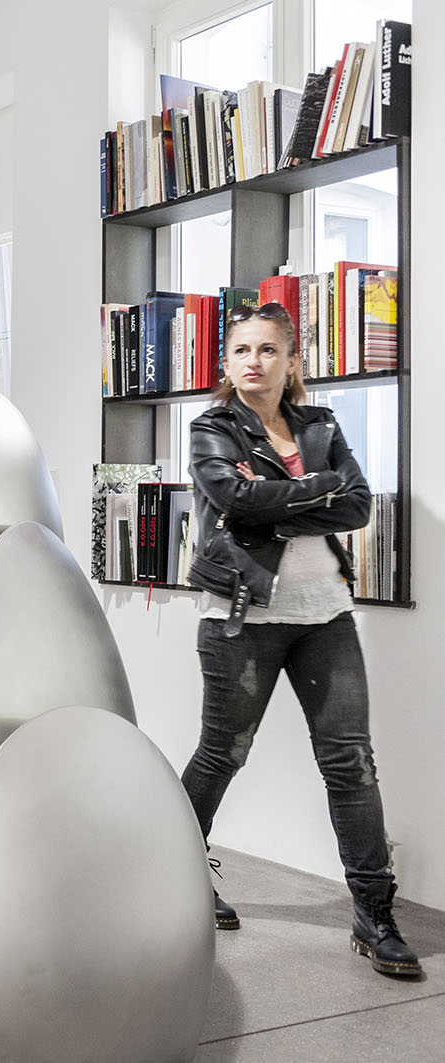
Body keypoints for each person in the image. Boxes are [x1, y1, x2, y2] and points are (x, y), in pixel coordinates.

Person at [182, 301, 419, 977]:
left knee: (350, 762)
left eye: (268, 349)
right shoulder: (211, 428)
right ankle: (175, 874)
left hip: (325, 614)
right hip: (240, 616)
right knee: (222, 755)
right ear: (227, 363)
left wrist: (280, 498)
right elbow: (234, 501)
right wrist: (317, 490)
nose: (253, 361)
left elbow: (358, 504)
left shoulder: (321, 425)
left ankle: (374, 914)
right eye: (241, 350)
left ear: (291, 361)